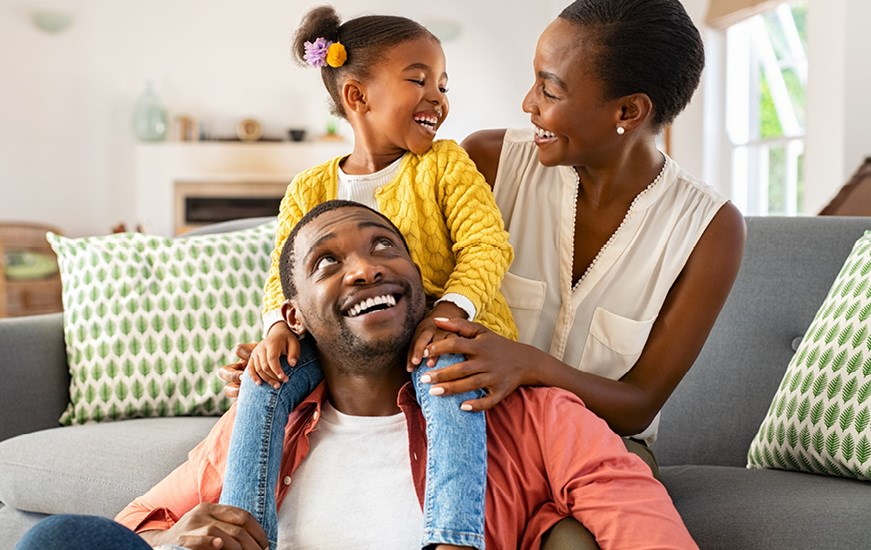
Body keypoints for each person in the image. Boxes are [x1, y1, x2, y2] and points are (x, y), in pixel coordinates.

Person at [16, 201, 698, 550]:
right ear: (293, 316)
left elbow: (646, 531)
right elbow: (138, 526)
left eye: (383, 249)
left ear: (422, 289)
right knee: (56, 540)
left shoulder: (534, 415)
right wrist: (173, 537)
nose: (365, 268)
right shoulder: (261, 425)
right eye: (327, 263)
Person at [220, 6, 517, 550]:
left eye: (443, 84)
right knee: (263, 382)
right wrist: (276, 327)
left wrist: (449, 310)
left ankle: (453, 537)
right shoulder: (309, 187)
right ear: (357, 97)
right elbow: (282, 275)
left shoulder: (445, 164)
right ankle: (245, 532)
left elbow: (486, 244)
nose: (438, 97)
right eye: (418, 79)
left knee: (446, 371)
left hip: (442, 328)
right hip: (345, 345)